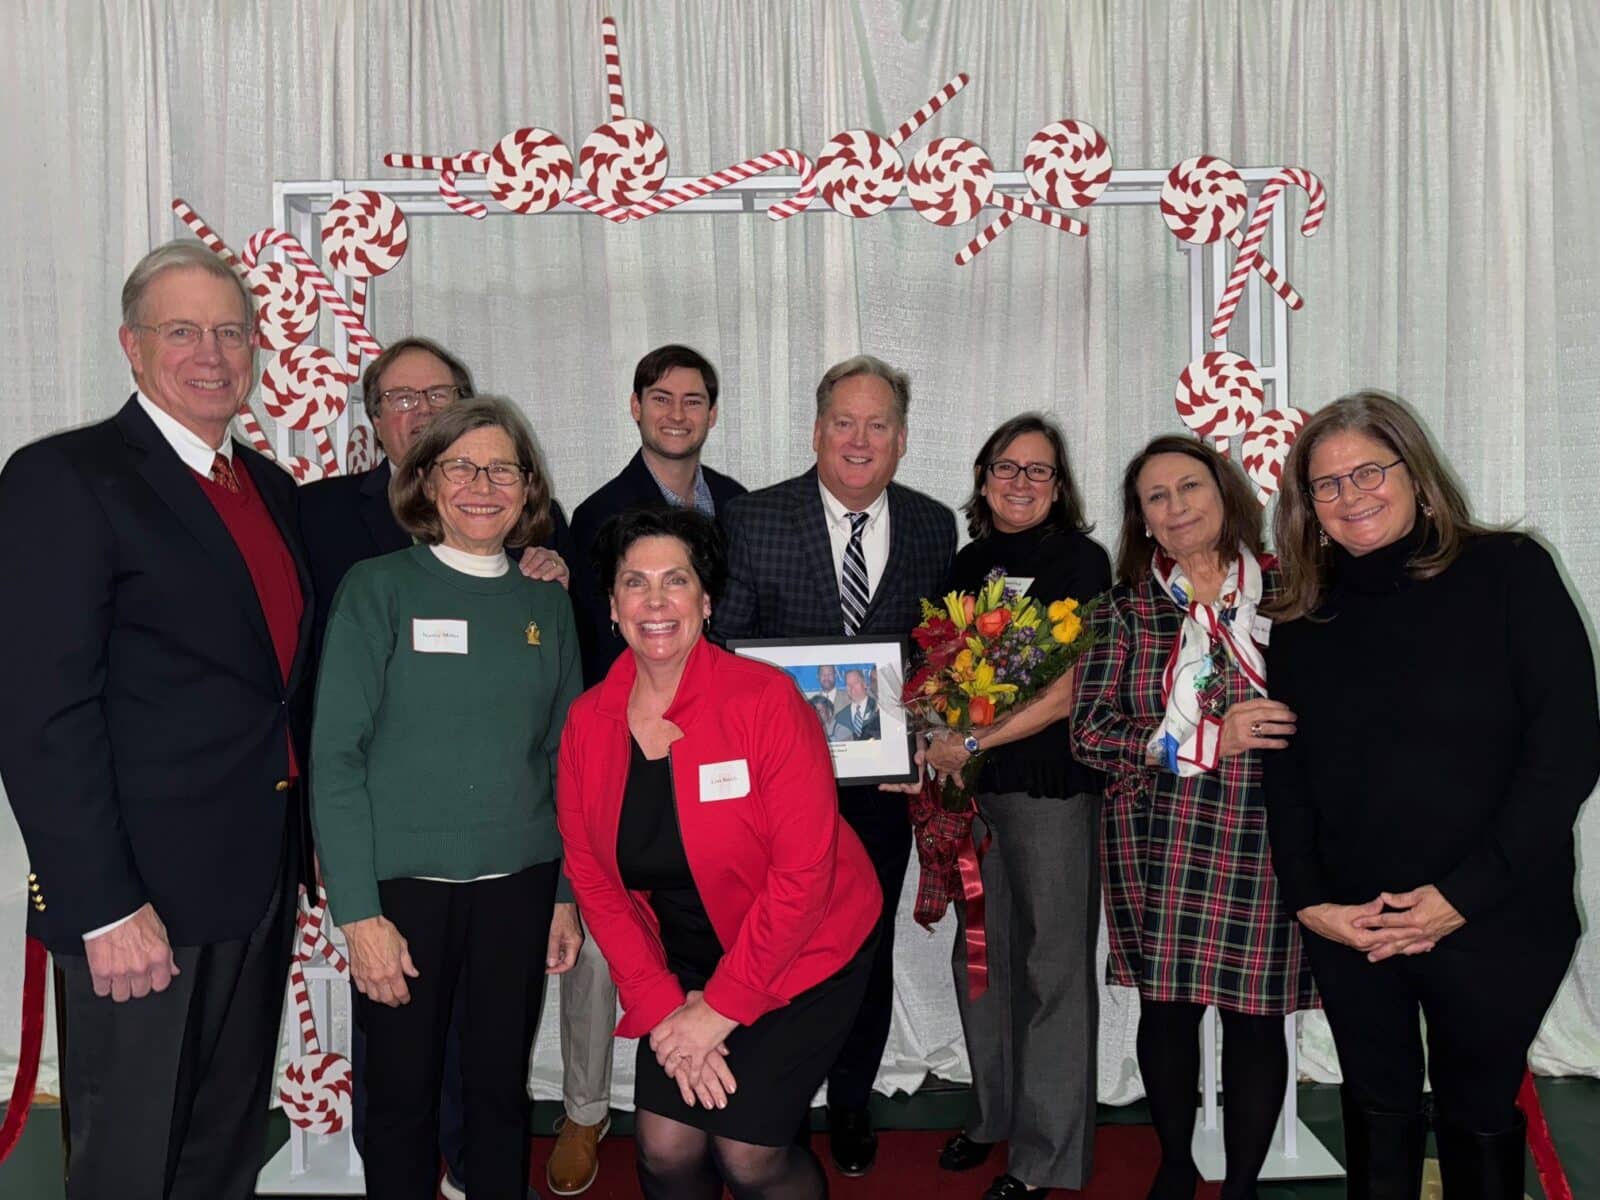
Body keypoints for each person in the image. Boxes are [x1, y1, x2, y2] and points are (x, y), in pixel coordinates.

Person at [0, 240, 315, 1200]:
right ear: (133, 348)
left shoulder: (269, 488)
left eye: (230, 331)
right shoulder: (65, 478)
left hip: (254, 888)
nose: (212, 354)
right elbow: (39, 711)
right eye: (183, 331)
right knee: (131, 1164)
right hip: (138, 907)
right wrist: (99, 905)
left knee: (221, 1152)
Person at [1263, 392, 1600, 1198]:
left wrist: (1461, 897)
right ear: (1307, 506)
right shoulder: (1301, 611)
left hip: (1498, 912)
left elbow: (1566, 752)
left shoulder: (1509, 570)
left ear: (1415, 472)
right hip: (1355, 920)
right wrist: (1310, 902)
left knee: (1477, 1106)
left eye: (1369, 471)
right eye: (1327, 485)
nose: (1352, 496)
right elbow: (1288, 770)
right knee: (1375, 1102)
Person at [299, 336, 571, 1200]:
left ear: (528, 487)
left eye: (502, 471)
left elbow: (565, 758)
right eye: (461, 468)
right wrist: (360, 913)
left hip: (519, 884)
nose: (482, 487)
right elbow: (334, 758)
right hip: (404, 891)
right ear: (425, 481)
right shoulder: (376, 590)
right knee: (403, 1098)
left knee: (498, 1091)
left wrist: (564, 895)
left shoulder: (545, 604)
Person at [557, 507, 882, 1200]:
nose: (655, 601)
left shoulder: (764, 701)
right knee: (666, 1146)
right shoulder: (587, 724)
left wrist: (722, 1008)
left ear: (705, 601)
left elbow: (803, 877)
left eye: (675, 581)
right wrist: (663, 1003)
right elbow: (594, 879)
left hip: (804, 946)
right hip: (681, 956)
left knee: (746, 1155)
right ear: (612, 606)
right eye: (634, 583)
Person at [717, 355, 956, 1176]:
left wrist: (922, 734)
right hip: (774, 792)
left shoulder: (933, 525)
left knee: (863, 947)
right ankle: (762, 1104)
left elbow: (933, 658)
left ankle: (851, 1100)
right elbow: (729, 657)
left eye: (878, 425)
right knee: (767, 941)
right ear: (817, 431)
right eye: (845, 423)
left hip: (883, 791)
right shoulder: (754, 519)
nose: (861, 440)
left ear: (901, 439)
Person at [1071, 435, 1312, 1200]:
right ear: (1141, 520)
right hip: (1156, 833)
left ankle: (1241, 1183)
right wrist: (1212, 738)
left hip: (1268, 831)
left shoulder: (1293, 590)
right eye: (1156, 498)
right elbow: (1089, 734)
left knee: (1254, 1017)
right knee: (1167, 1013)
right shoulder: (1122, 609)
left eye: (1189, 488)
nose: (1176, 508)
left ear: (1226, 493)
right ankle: (1175, 1165)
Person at [555, 344, 746, 1194]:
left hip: (725, 759)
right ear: (634, 408)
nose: (676, 413)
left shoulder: (741, 506)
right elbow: (585, 649)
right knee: (606, 939)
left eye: (693, 399)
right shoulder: (596, 513)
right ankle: (587, 1109)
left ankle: (721, 1072)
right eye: (659, 398)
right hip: (624, 757)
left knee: (725, 917)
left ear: (712, 412)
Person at [922, 415, 1111, 1199]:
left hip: (1048, 787)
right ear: (983, 477)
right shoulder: (967, 562)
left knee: (1051, 969)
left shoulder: (1080, 559)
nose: (1021, 482)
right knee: (981, 960)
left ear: (1059, 486)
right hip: (971, 792)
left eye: (1039, 471)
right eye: (1007, 467)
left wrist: (979, 738)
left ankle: (1046, 1156)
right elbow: (933, 665)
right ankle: (995, 1114)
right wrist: (934, 735)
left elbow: (1077, 683)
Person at [830, 669, 881, 741]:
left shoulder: (878, 708)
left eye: (855, 683)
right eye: (848, 684)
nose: (852, 687)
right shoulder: (840, 716)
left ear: (864, 684)